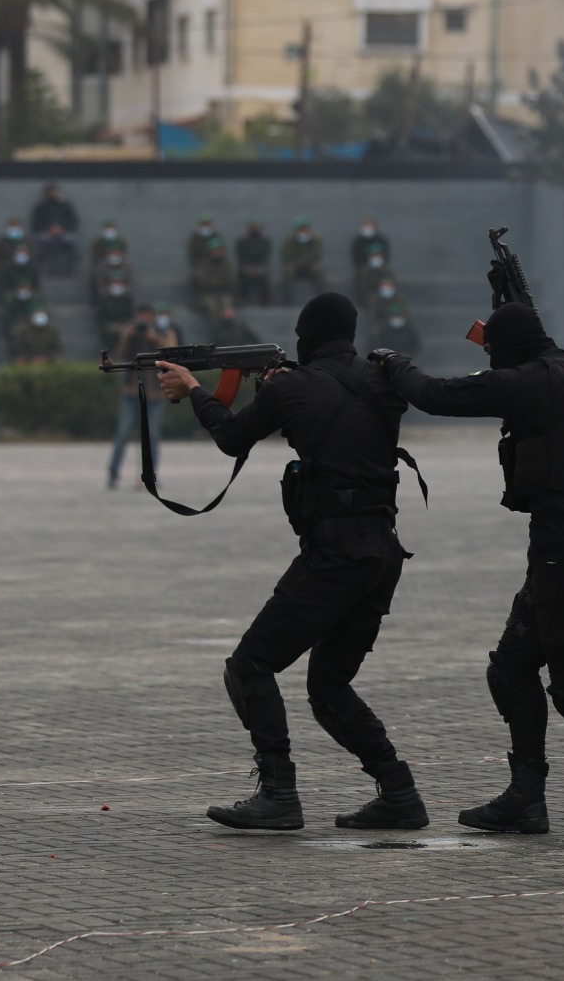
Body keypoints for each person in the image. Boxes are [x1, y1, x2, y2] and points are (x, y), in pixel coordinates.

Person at [370, 294, 564, 835]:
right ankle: (526, 798)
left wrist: (392, 362)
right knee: (512, 667)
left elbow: (435, 395)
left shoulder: (531, 382)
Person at [154, 293, 427, 832]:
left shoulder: (294, 387)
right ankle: (399, 792)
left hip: (335, 555)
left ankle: (279, 794)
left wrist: (193, 391)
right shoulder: (379, 377)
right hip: (382, 551)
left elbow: (232, 438)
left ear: (306, 335)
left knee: (250, 665)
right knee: (328, 686)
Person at [107, 306, 169, 490]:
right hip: (132, 392)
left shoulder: (162, 332)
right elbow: (121, 352)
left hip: (155, 392)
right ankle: (113, 473)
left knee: (152, 435)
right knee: (123, 433)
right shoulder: (130, 333)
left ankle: (150, 475)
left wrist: (154, 337)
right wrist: (128, 335)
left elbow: (169, 351)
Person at [30, 183, 79, 271]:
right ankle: (41, 268)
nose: (52, 194)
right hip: (46, 233)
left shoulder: (65, 205)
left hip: (64, 232)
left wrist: (61, 228)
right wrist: (49, 229)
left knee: (72, 242)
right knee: (41, 243)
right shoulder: (41, 206)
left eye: (53, 192)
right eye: (50, 192)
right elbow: (35, 223)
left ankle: (74, 267)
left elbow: (74, 221)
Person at [281, 217, 326, 303]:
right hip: (295, 265)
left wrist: (302, 261)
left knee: (319, 269)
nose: (303, 230)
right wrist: (298, 262)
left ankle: (323, 297)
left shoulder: (315, 238)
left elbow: (317, 254)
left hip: (310, 264)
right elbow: (286, 254)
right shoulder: (289, 240)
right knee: (288, 270)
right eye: (301, 229)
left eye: (305, 228)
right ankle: (287, 298)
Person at [195, 238, 237, 318]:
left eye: (219, 250)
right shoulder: (203, 265)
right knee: (212, 306)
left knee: (227, 306)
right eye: (214, 250)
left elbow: (232, 278)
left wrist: (218, 281)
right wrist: (210, 281)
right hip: (208, 294)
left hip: (224, 292)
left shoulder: (228, 264)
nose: (217, 253)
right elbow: (200, 278)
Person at [236, 219, 273, 306]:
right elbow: (241, 257)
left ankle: (266, 300)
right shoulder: (242, 242)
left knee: (264, 276)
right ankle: (242, 300)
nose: (255, 229)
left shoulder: (266, 242)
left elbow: (265, 257)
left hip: (260, 267)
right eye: (253, 227)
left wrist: (259, 268)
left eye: (257, 227)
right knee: (244, 276)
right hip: (246, 267)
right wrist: (250, 268)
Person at [351, 218, 390, 298]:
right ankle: (363, 297)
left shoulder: (381, 240)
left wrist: (380, 263)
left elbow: (386, 255)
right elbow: (355, 256)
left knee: (388, 274)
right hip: (363, 265)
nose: (368, 228)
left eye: (370, 226)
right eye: (366, 225)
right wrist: (363, 264)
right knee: (362, 274)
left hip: (380, 265)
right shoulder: (358, 241)